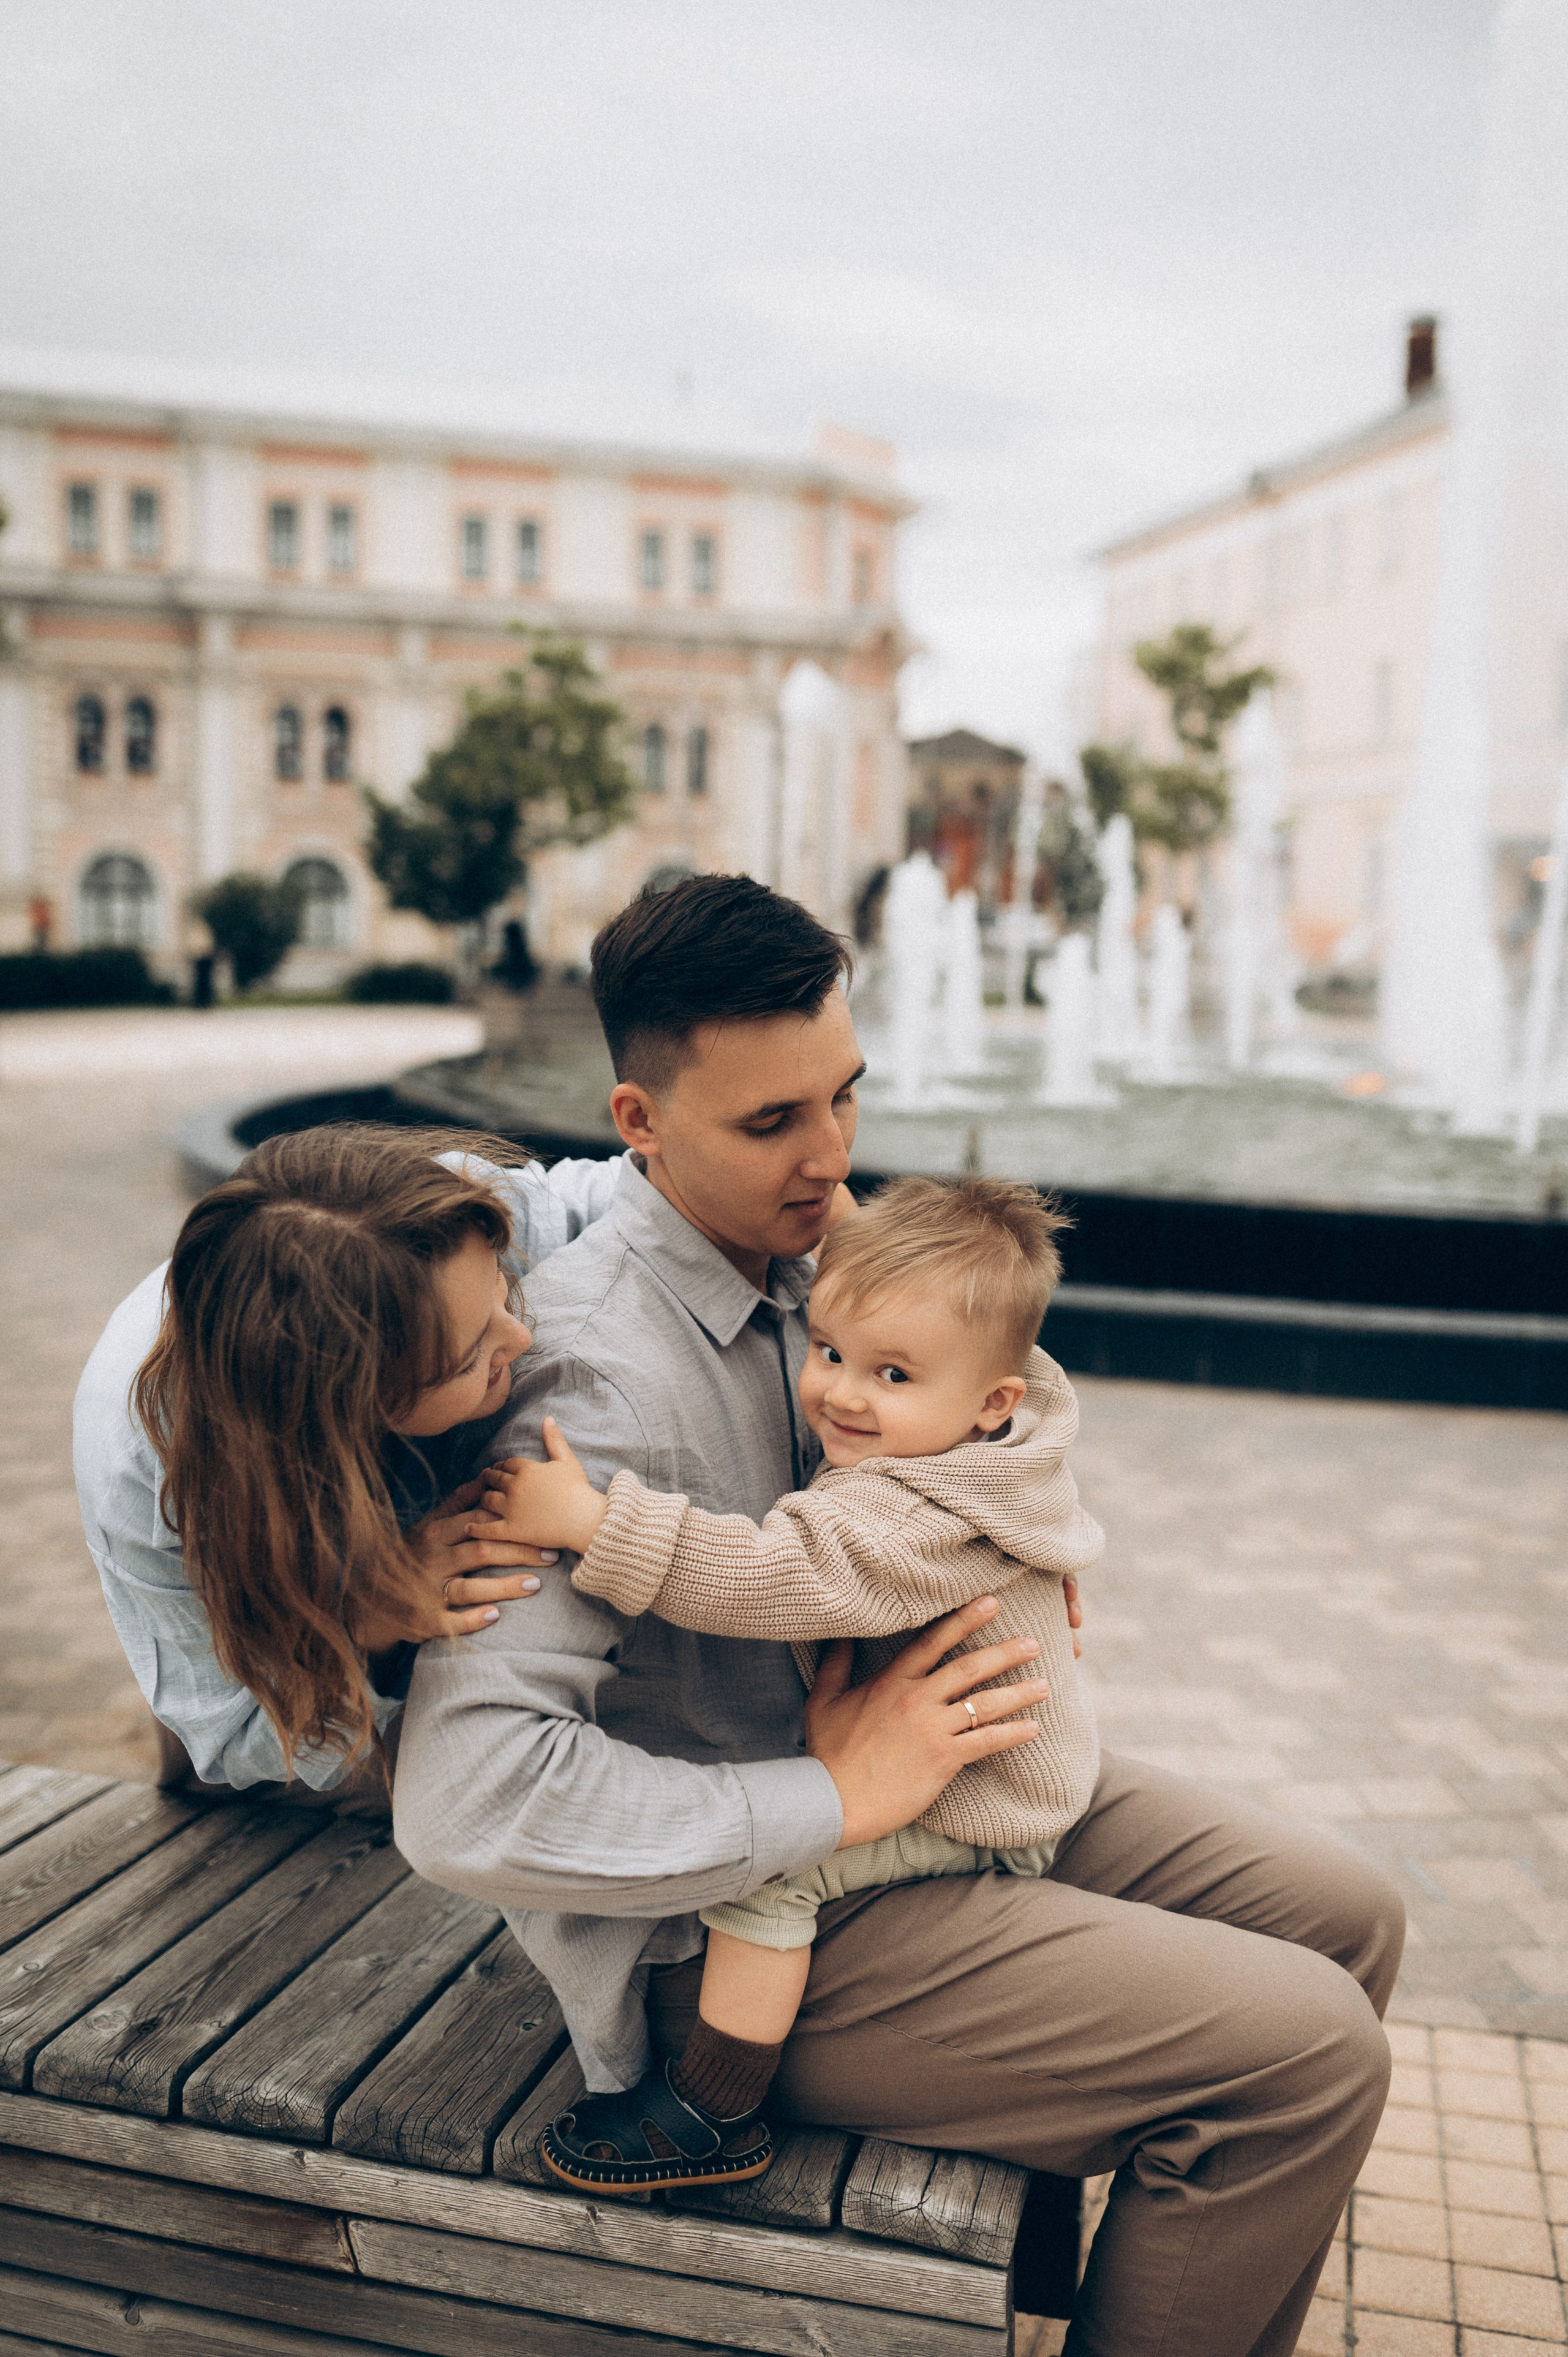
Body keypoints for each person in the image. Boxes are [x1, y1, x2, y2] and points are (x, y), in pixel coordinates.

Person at [393, 873, 1404, 2357]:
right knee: (1302, 2056)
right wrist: (824, 1791)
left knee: (1346, 1915)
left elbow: (1013, 1384)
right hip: (729, 1932)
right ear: (637, 1123)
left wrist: (990, 1498)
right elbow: (460, 1798)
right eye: (771, 1124)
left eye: (843, 1098)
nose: (828, 1158)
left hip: (925, 1773)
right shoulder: (594, 1389)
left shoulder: (822, 1253)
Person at [483, 1172, 1106, 2192]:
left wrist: (593, 1521)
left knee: (779, 1865)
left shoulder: (909, 1509)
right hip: (1012, 1753)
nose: (843, 1394)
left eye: (893, 1374)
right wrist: (862, 1233)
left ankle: (713, 2109)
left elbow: (774, 1573)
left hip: (980, 1803)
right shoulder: (998, 1441)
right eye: (829, 1351)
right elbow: (930, 1323)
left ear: (991, 1401)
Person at [72, 1125, 618, 1792]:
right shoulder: (146, 1470)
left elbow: (644, 1191)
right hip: (273, 1652)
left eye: (502, 1285)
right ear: (348, 1409)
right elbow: (236, 1732)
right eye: (470, 1355)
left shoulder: (433, 1217)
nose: (522, 1335)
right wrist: (372, 1619)